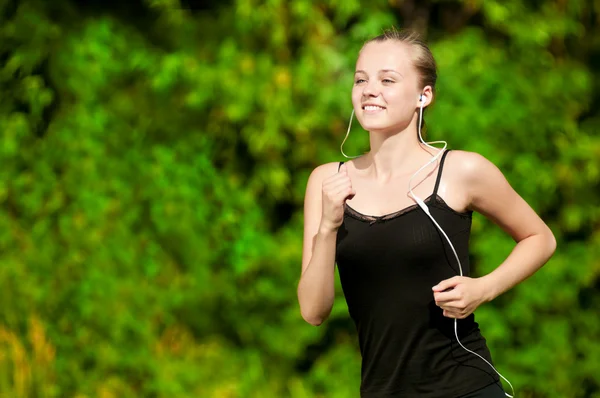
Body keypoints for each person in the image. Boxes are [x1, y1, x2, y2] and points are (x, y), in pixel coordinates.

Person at [297, 29, 556, 398]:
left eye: (388, 80)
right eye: (361, 79)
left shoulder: (462, 172)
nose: (371, 89)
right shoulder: (326, 181)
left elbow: (541, 238)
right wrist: (327, 227)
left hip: (466, 386)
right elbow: (312, 311)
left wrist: (483, 288)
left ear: (424, 95)